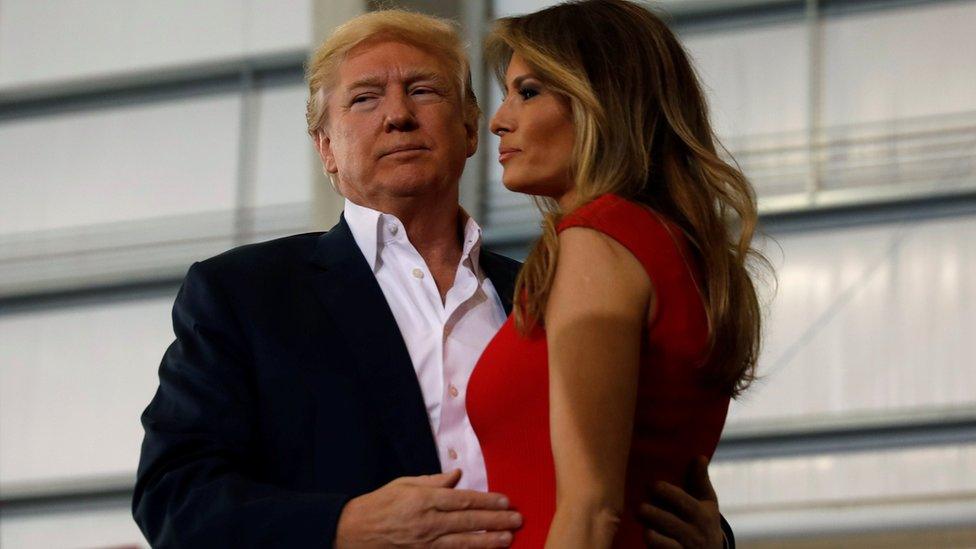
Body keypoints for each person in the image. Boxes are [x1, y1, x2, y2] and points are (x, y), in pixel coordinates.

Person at [132, 9, 732, 548]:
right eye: (364, 99)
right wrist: (345, 526)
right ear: (326, 148)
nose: (397, 115)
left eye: (423, 91)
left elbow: (627, 467)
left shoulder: (554, 288)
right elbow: (174, 499)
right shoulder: (244, 295)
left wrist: (714, 541)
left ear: (472, 127)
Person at [467, 1, 767, 547]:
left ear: (600, 100)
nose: (498, 119)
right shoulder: (678, 249)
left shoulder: (598, 242)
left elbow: (590, 511)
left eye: (528, 91)